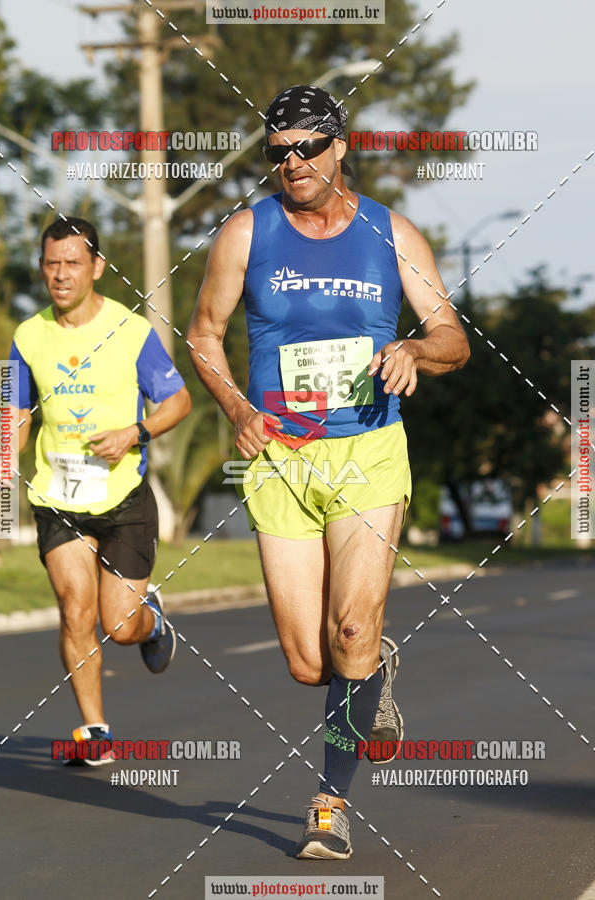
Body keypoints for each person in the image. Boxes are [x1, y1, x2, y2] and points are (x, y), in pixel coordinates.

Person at [188, 85, 469, 858]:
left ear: (340, 147)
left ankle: (330, 801)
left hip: (369, 450)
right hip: (281, 458)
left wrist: (414, 349)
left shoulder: (390, 231)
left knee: (350, 625)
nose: (294, 163)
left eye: (308, 147)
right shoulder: (246, 233)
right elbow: (204, 335)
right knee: (312, 659)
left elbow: (452, 334)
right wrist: (240, 410)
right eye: (278, 152)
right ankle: (372, 666)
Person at [9, 217, 191, 764]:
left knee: (119, 625)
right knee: (73, 609)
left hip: (123, 499)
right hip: (57, 498)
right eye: (50, 264)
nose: (60, 275)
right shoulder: (26, 336)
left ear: (97, 267)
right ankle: (95, 732)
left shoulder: (132, 331)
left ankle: (152, 619)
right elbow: (12, 416)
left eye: (72, 263)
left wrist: (134, 433)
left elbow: (177, 403)